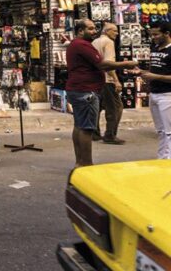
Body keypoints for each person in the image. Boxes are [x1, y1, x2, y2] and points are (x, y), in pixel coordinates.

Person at [66, 19, 138, 168]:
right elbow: (103, 64)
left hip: (79, 89)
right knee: (86, 128)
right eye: (90, 29)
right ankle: (86, 163)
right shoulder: (83, 45)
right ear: (80, 31)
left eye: (94, 28)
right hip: (86, 90)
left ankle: (80, 162)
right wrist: (126, 64)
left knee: (80, 126)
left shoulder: (79, 44)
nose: (94, 31)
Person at [141, 22, 171, 159]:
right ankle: (161, 159)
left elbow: (157, 74)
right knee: (160, 130)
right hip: (154, 93)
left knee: (169, 131)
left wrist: (155, 76)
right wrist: (143, 72)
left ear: (166, 33)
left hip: (167, 95)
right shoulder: (155, 47)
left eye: (156, 34)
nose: (153, 37)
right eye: (151, 34)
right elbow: (154, 69)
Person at [91, 23, 125, 144]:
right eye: (114, 31)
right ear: (106, 31)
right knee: (116, 108)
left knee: (97, 107)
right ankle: (110, 135)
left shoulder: (95, 41)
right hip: (107, 80)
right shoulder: (109, 42)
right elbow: (109, 64)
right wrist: (116, 80)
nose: (117, 33)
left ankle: (94, 133)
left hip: (96, 79)